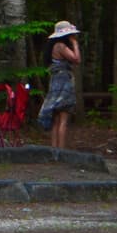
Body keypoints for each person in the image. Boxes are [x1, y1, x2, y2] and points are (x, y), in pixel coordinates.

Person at [38, 20, 81, 150]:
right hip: (63, 83)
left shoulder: (54, 47)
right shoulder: (61, 46)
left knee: (56, 120)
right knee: (63, 119)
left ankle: (54, 149)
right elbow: (76, 59)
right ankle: (61, 150)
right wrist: (75, 44)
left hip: (55, 83)